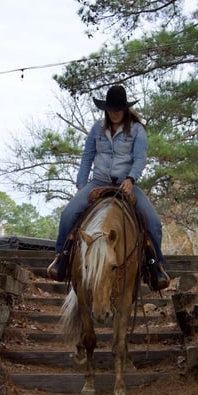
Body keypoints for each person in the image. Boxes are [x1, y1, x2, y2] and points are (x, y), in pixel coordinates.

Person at [47, 85, 170, 290]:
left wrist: (131, 179)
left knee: (154, 223)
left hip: (126, 183)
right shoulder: (97, 128)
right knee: (68, 213)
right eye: (111, 109)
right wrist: (81, 184)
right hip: (98, 181)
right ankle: (61, 258)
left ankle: (156, 267)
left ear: (125, 109)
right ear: (106, 109)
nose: (114, 113)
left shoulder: (137, 130)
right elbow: (87, 156)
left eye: (118, 109)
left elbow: (140, 158)